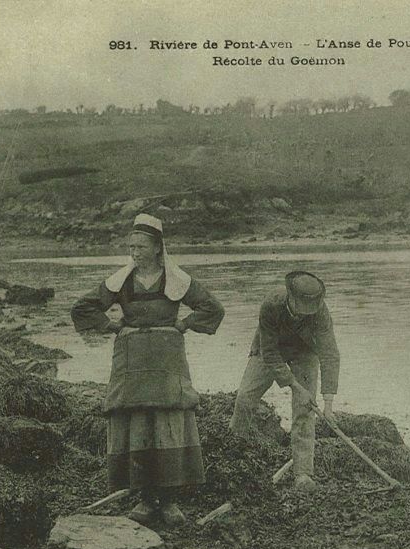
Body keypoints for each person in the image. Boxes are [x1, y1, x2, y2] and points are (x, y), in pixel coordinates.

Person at [71, 213, 224, 525]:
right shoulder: (122, 281)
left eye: (141, 246)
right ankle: (144, 499)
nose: (135, 252)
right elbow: (83, 308)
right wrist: (112, 326)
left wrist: (183, 324)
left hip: (167, 362)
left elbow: (212, 308)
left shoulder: (176, 280)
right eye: (131, 247)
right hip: (133, 363)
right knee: (137, 425)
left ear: (157, 248)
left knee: (169, 424)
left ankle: (168, 501)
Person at [229, 271, 339, 492]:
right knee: (245, 398)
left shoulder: (321, 312)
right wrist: (295, 387)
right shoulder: (271, 304)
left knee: (304, 410)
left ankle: (303, 473)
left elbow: (329, 354)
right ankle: (233, 456)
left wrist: (328, 405)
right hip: (270, 347)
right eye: (301, 307)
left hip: (304, 352)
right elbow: (269, 353)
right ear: (290, 297)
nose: (306, 312)